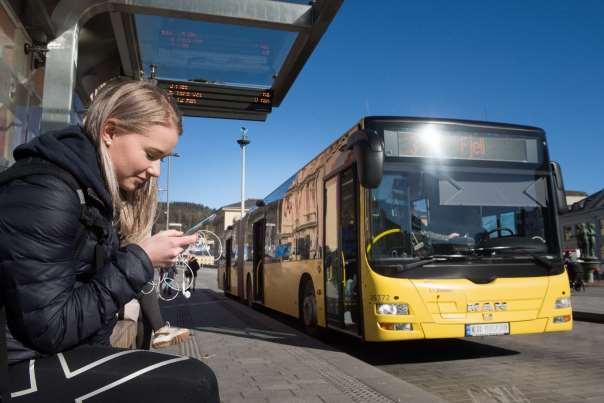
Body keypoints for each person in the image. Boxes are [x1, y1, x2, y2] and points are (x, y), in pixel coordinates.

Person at [0, 80, 219, 401]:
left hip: (39, 356)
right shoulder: (50, 193)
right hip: (18, 368)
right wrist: (140, 259)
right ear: (110, 132)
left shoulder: (90, 194)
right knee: (193, 382)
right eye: (151, 154)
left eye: (163, 159)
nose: (156, 170)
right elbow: (51, 328)